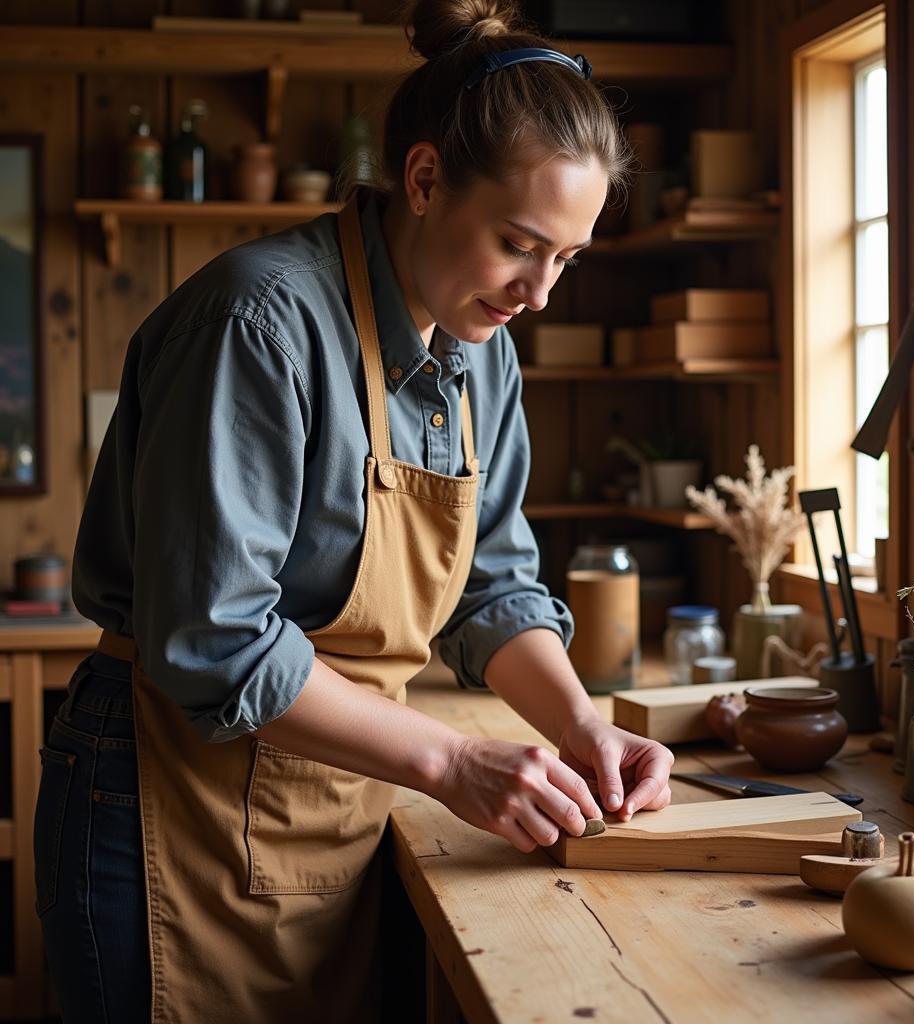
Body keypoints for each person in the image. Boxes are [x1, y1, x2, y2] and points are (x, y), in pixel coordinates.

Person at [32, 1, 674, 1020]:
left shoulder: (481, 352)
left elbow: (491, 589)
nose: (538, 292)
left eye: (566, 258)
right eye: (519, 242)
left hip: (328, 801)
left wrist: (581, 724)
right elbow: (217, 640)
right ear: (423, 181)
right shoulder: (260, 321)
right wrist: (455, 759)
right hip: (164, 797)